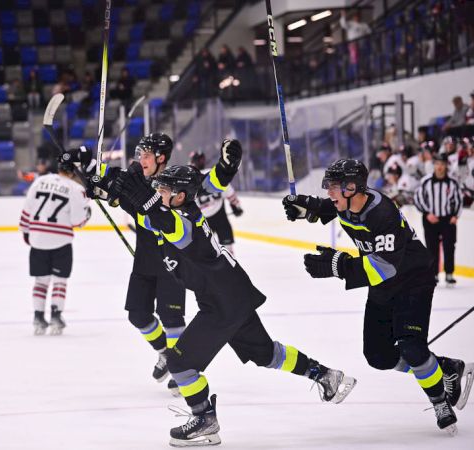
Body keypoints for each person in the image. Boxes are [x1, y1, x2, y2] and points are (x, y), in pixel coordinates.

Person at [103, 142, 356, 447]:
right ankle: (325, 375)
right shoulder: (178, 211)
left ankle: (204, 420)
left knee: (180, 365)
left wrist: (142, 198)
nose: (159, 193)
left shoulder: (182, 222)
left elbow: (163, 221)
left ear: (180, 196)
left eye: (165, 189)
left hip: (221, 302)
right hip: (232, 294)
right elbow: (147, 214)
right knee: (266, 354)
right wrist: (107, 188)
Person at [282, 159, 473, 435]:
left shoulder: (381, 213)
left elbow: (385, 266)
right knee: (378, 356)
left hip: (412, 280)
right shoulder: (347, 202)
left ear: (352, 187)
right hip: (384, 285)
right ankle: (446, 367)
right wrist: (305, 207)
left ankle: (439, 400)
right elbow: (323, 209)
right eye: (329, 187)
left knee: (412, 348)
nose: (329, 193)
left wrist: (340, 266)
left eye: (334, 187)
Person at [80, 135, 187, 395]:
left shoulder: (174, 182)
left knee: (171, 317)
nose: (142, 160)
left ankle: (179, 367)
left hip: (171, 261)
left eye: (147, 155)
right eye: (140, 155)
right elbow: (116, 185)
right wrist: (95, 181)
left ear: (162, 157)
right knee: (137, 314)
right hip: (145, 260)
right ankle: (164, 352)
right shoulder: (140, 178)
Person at [19, 150, 91, 335]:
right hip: (60, 240)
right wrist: (87, 213)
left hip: (37, 238)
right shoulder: (76, 189)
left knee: (40, 280)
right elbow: (77, 221)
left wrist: (26, 232)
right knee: (60, 280)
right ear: (74, 171)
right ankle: (56, 316)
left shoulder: (40, 181)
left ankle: (38, 318)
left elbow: (27, 209)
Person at [414, 153, 462, 286]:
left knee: (449, 246)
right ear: (434, 165)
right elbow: (418, 198)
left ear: (446, 166)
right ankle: (433, 274)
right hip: (430, 219)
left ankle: (449, 274)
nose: (440, 167)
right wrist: (427, 213)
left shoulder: (452, 183)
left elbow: (458, 200)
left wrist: (455, 215)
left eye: (442, 164)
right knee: (431, 247)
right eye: (437, 164)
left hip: (447, 219)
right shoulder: (426, 181)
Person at [189, 150, 243, 254]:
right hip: (219, 217)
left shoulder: (190, 177)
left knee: (204, 253)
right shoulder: (213, 173)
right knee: (228, 251)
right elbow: (229, 192)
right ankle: (229, 268)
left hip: (203, 220)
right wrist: (236, 206)